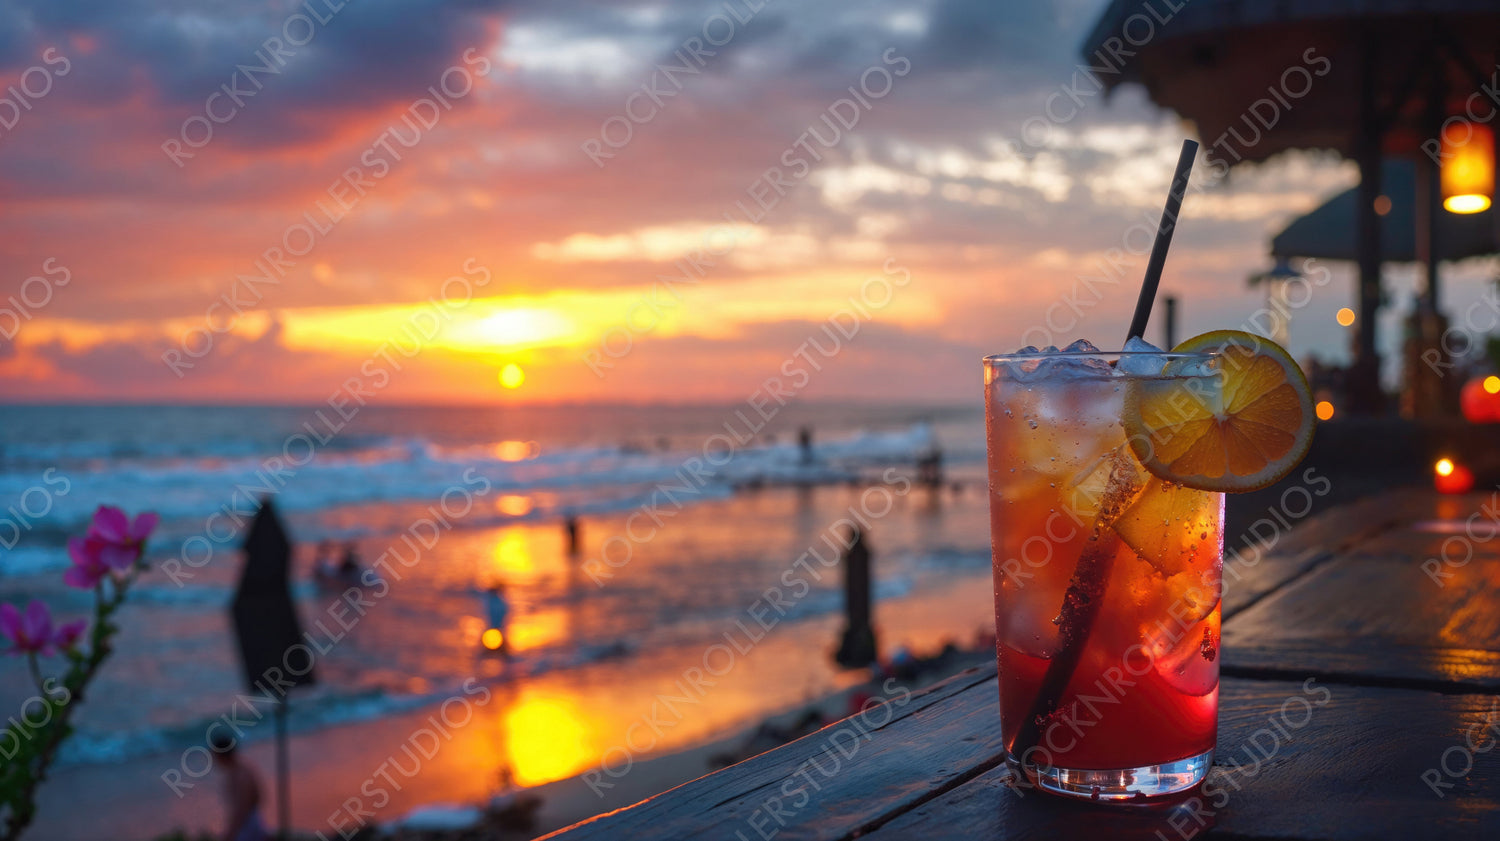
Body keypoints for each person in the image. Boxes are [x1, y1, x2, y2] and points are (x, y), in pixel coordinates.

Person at [211, 732, 270, 841]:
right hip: (250, 823)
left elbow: (241, 810)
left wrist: (229, 834)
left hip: (248, 827)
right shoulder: (238, 772)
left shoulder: (241, 776)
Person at [834, 526, 877, 668]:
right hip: (861, 603)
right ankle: (861, 655)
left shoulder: (854, 554)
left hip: (856, 603)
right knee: (860, 625)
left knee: (858, 625)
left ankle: (859, 655)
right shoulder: (861, 553)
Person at [484, 583, 512, 657]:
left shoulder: (491, 602)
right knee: (501, 653)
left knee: (491, 653)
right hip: (499, 630)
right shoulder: (501, 602)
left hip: (493, 630)